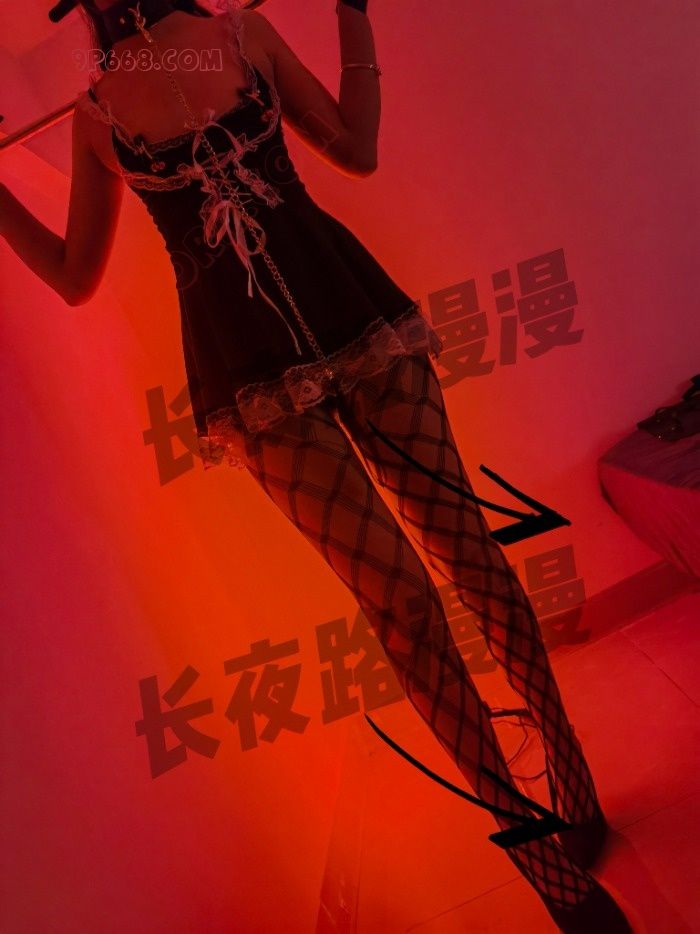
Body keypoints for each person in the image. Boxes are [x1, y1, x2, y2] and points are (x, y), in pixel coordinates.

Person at [0, 0, 632, 929]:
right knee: (404, 611)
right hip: (249, 378)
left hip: (356, 316)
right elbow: (72, 276)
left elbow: (356, 152)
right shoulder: (94, 119)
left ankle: (572, 781)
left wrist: (352, 12)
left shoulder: (241, 34)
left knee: (473, 557)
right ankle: (541, 859)